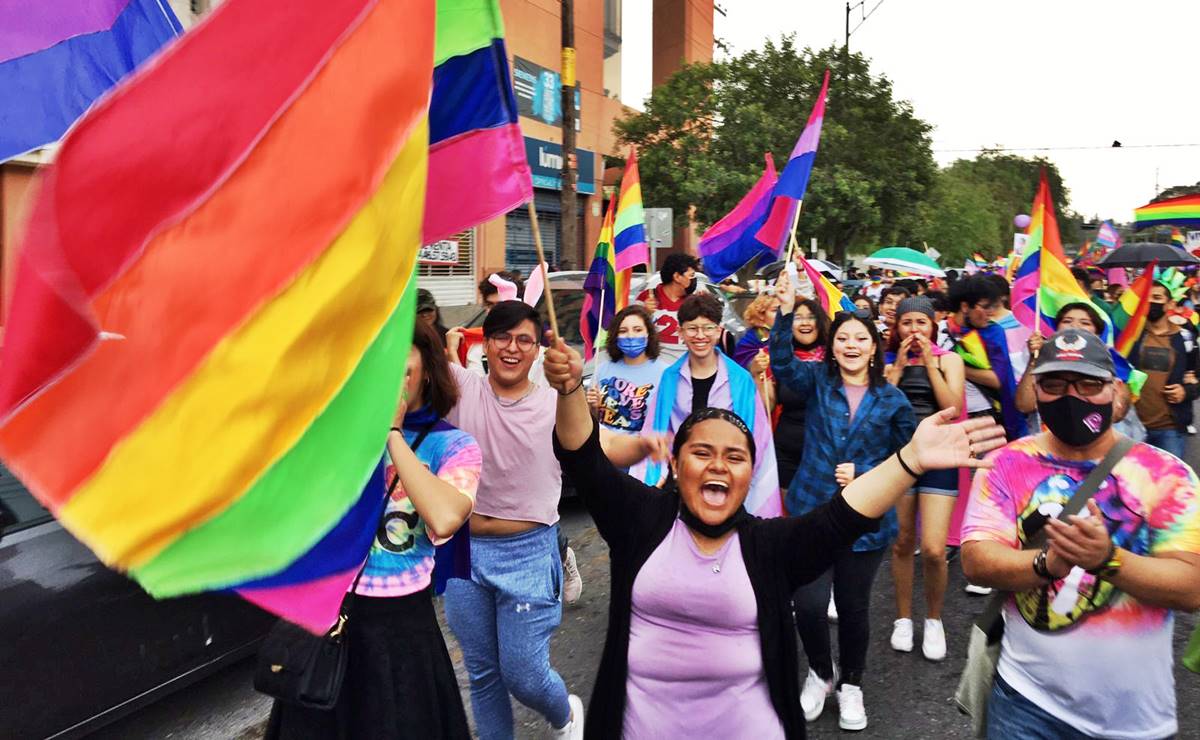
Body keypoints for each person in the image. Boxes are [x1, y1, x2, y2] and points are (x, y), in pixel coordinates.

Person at [544, 330, 1005, 739]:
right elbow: (585, 460)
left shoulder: (769, 546)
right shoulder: (640, 520)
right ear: (676, 463)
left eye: (735, 457)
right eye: (702, 452)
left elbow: (842, 516)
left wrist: (910, 461)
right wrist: (569, 390)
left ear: (750, 473)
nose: (718, 466)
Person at [962, 328, 1200, 739]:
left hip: (1134, 719)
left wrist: (1107, 560)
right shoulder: (1006, 463)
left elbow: (1191, 587)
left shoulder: (1167, 473)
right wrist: (1047, 563)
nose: (1071, 397)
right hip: (1024, 703)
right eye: (1053, 384)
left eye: (1089, 384)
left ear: (1116, 391)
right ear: (1036, 390)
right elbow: (977, 560)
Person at [265, 321, 477, 740]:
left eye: (400, 357)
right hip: (329, 617)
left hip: (402, 631)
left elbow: (445, 517)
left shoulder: (454, 447)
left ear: (428, 369)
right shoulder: (336, 437)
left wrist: (392, 433)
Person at [770, 271, 916, 729]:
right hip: (813, 509)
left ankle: (851, 684)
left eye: (861, 338)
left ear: (875, 348)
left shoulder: (892, 401)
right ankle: (820, 671)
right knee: (809, 606)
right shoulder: (815, 381)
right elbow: (780, 362)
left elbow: (910, 456)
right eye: (843, 338)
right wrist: (785, 309)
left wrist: (870, 473)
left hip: (866, 520)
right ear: (832, 347)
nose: (851, 344)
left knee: (854, 608)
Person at [441, 301, 584, 740]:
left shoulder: (552, 405)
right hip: (464, 554)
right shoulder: (460, 387)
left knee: (524, 674)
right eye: (502, 336)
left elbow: (590, 441)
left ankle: (565, 715)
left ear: (538, 350)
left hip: (528, 553)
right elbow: (411, 358)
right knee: (482, 675)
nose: (512, 348)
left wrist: (573, 386)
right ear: (485, 343)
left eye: (525, 340)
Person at [619, 293, 782, 517]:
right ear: (681, 333)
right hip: (680, 486)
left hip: (725, 484)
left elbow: (758, 440)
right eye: (692, 328)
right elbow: (655, 432)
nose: (700, 335)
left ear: (719, 331)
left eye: (707, 328)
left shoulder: (741, 380)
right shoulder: (670, 378)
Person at [883, 296, 965, 662]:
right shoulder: (885, 362)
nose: (914, 330)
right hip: (899, 454)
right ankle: (903, 618)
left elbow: (953, 407)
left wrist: (931, 366)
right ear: (896, 328)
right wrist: (898, 368)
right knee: (901, 541)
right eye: (906, 323)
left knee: (933, 549)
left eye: (921, 322)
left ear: (933, 326)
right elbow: (880, 405)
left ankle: (933, 619)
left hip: (941, 453)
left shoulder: (951, 360)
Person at [1130, 281, 1200, 459]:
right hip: (1133, 426)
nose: (1151, 302)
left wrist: (1185, 391)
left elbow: (1196, 378)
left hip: (1170, 429)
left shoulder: (1185, 339)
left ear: (1169, 304)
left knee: (1168, 484)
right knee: (1134, 483)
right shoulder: (1131, 336)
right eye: (1147, 298)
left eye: (1157, 297)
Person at [586, 304, 668, 435]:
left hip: (641, 451)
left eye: (637, 330)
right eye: (623, 331)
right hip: (603, 450)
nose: (631, 336)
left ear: (648, 333)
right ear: (615, 336)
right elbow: (591, 422)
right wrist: (593, 407)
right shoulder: (601, 370)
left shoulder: (665, 373)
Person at [637, 253, 701, 361]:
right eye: (691, 275)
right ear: (677, 277)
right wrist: (644, 312)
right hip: (654, 363)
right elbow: (631, 328)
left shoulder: (694, 302)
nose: (694, 280)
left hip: (686, 364)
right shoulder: (647, 297)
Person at [732, 294, 782, 412]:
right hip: (758, 404)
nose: (781, 314)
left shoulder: (790, 337)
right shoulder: (749, 342)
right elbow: (740, 373)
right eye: (775, 310)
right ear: (761, 315)